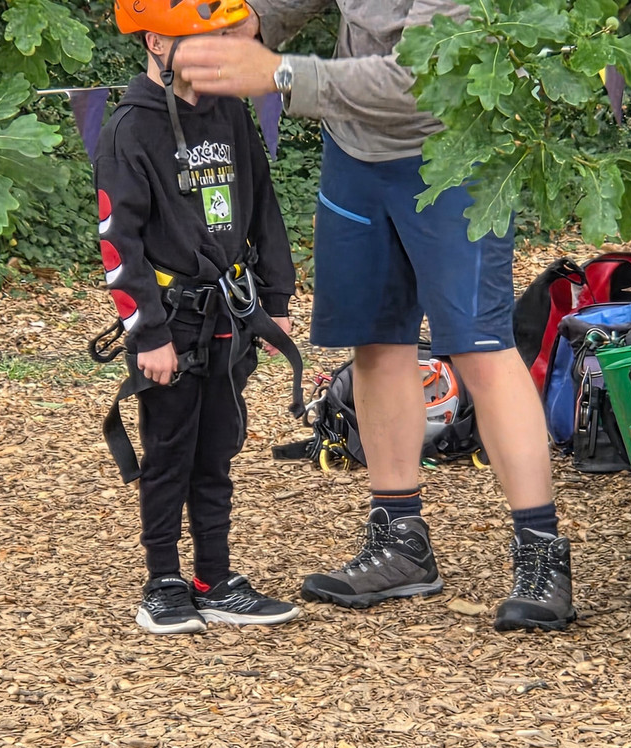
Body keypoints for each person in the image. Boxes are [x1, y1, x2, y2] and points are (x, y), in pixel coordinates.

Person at [172, 1, 576, 631]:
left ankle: (542, 558)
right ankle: (400, 544)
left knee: (479, 347)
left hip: (454, 151)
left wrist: (277, 72)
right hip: (354, 153)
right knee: (375, 342)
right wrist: (254, 17)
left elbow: (415, 80)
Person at [94, 0, 302, 634]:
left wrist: (274, 301)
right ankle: (163, 580)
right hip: (168, 325)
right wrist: (148, 334)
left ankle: (215, 577)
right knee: (169, 453)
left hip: (229, 317)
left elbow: (263, 206)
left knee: (216, 450)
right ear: (157, 42)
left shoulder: (231, 113)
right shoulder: (129, 129)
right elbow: (117, 240)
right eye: (197, 41)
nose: (215, 53)